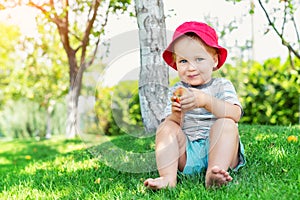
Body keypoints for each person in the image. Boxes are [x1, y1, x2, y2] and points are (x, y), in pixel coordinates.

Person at [144, 21, 246, 189]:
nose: (191, 67)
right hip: (188, 153)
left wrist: (206, 101)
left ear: (214, 60)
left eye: (199, 59)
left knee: (227, 123)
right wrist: (176, 115)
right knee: (165, 127)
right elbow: (172, 126)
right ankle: (168, 178)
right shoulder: (177, 89)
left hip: (221, 150)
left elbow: (235, 113)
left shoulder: (221, 85)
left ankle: (214, 174)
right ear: (176, 63)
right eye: (183, 61)